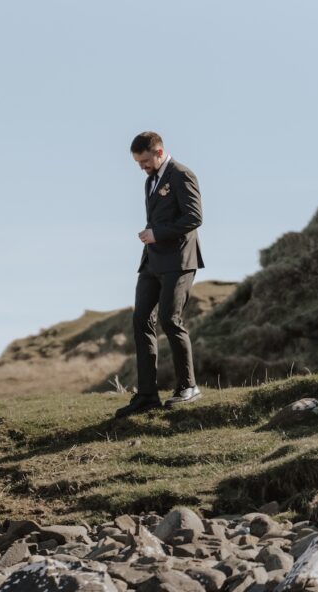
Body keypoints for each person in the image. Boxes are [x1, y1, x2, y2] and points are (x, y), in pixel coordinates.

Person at [116, 131, 204, 418]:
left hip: (179, 260)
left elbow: (194, 217)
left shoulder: (181, 174)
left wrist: (157, 234)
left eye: (145, 161)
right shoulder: (149, 181)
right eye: (138, 163)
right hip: (151, 263)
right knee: (141, 319)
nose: (142, 167)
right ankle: (147, 395)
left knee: (170, 319)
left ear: (159, 151)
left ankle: (188, 387)